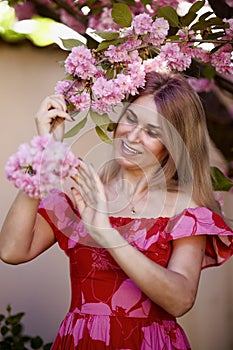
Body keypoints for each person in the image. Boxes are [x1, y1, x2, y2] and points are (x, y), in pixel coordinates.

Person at [1, 71, 233, 350]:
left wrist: (106, 233)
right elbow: (11, 251)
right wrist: (43, 151)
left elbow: (180, 300)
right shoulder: (82, 193)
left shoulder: (185, 211)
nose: (132, 136)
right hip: (82, 342)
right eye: (131, 119)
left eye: (152, 132)